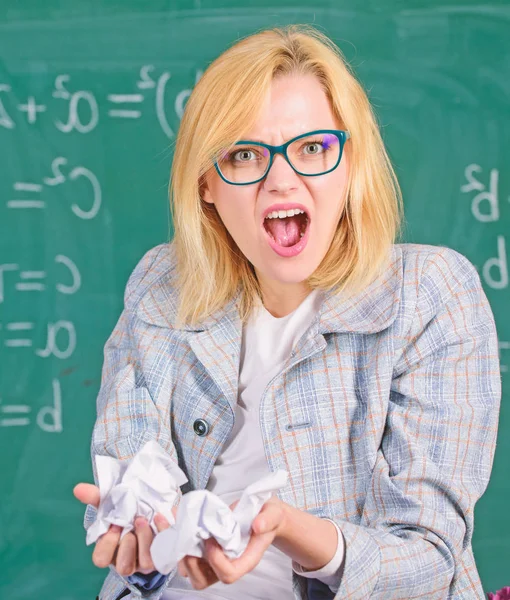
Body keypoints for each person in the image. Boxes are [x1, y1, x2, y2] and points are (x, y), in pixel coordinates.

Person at [73, 24, 501, 600]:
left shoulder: (429, 295)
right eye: (246, 154)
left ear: (351, 165)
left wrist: (289, 529)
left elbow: (431, 556)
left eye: (313, 148)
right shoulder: (163, 284)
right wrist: (139, 527)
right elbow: (132, 466)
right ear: (206, 184)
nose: (281, 179)